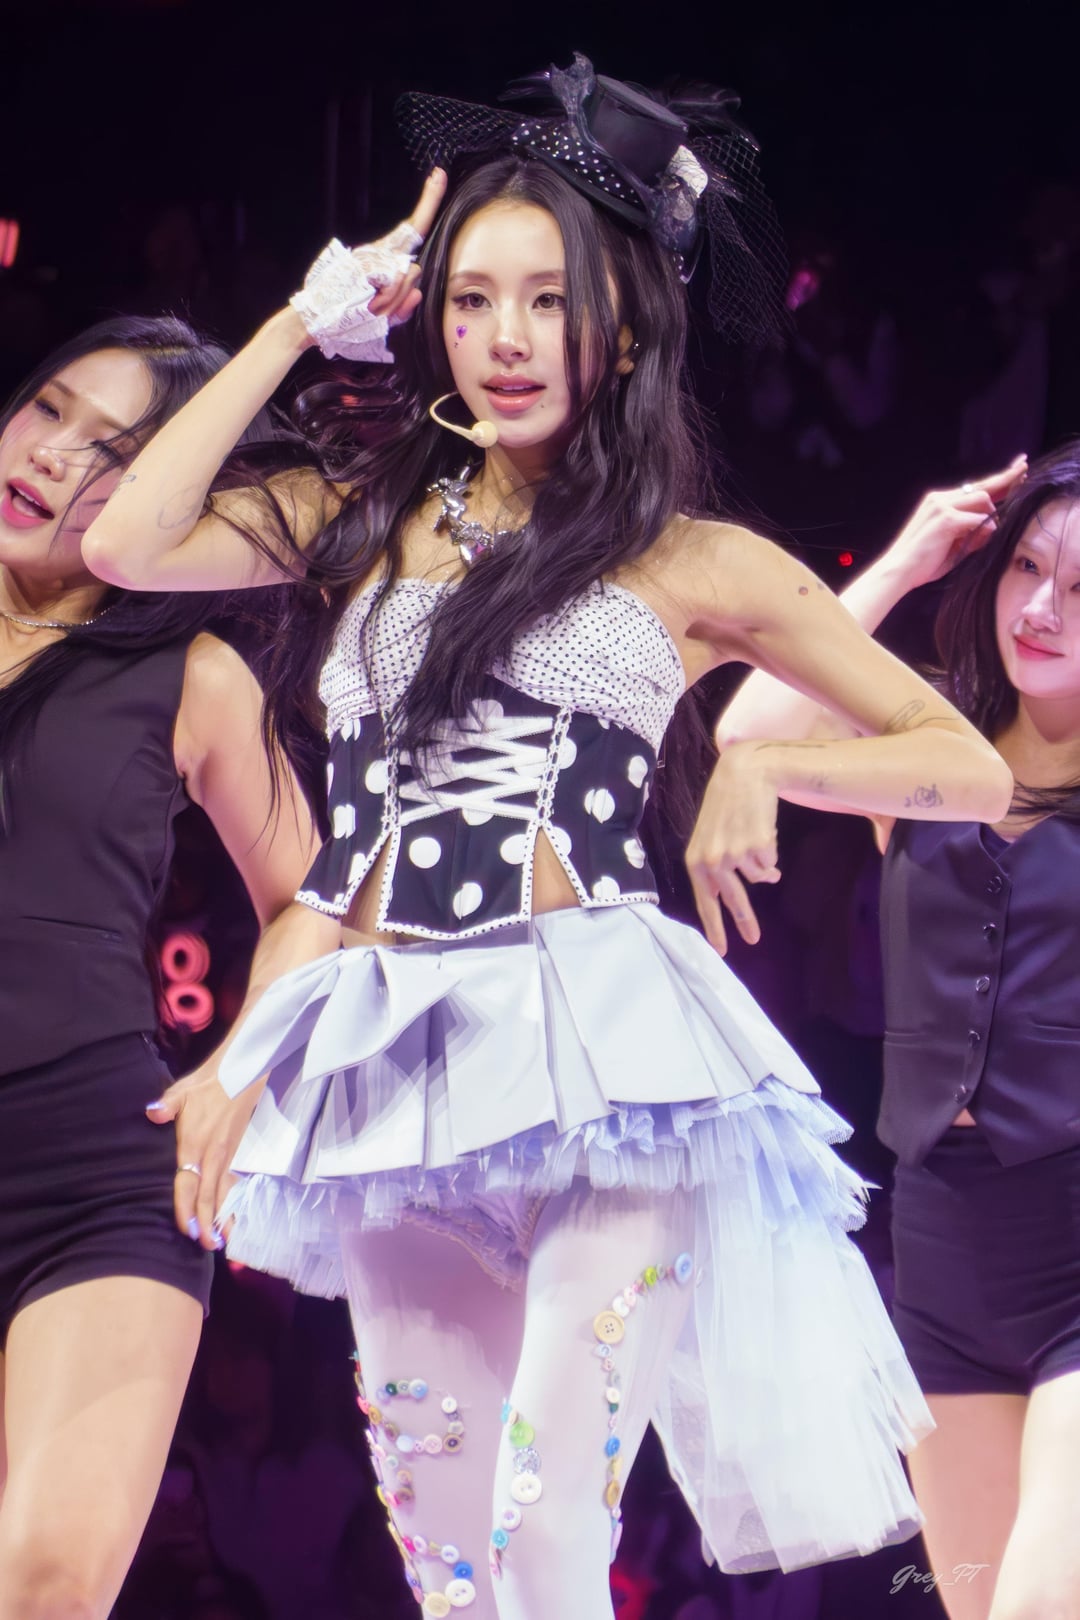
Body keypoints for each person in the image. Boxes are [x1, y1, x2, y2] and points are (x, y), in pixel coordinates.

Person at [82, 60, 1014, 1620]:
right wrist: (308, 316)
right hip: (393, 1057)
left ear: (623, 331)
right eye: (472, 301)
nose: (505, 338)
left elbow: (966, 766)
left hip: (609, 1052)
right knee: (450, 1564)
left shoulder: (692, 558)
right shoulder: (362, 520)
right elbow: (127, 538)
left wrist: (765, 774)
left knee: (544, 1532)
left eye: (547, 302)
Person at [717, 442, 1080, 1620]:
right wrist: (906, 562)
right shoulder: (936, 749)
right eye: (1027, 567)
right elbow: (751, 732)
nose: (1041, 608)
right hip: (943, 1248)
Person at [0, 316, 319, 1620]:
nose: (52, 455)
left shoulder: (192, 676)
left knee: (50, 1588)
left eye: (113, 451)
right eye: (48, 410)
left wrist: (238, 1068)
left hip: (94, 1179)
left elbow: (316, 901)